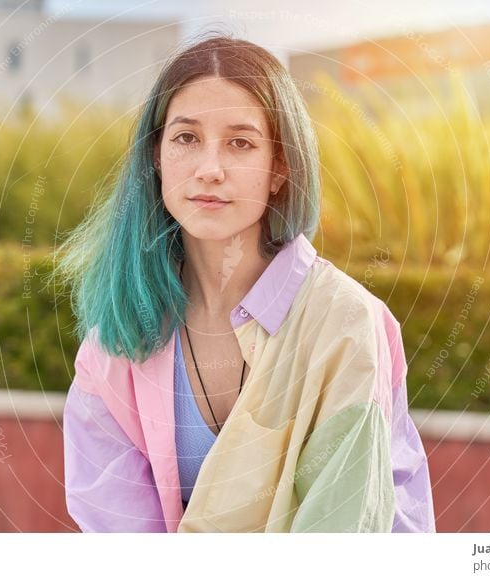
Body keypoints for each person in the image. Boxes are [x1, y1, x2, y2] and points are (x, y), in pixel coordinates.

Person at [53, 33, 435, 533]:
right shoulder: (114, 349)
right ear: (156, 156)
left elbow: (342, 534)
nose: (210, 170)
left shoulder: (343, 324)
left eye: (240, 142)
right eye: (186, 138)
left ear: (279, 167)